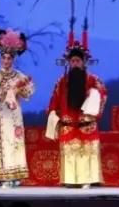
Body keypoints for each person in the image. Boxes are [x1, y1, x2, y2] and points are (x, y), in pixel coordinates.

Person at [46, 41, 108, 188]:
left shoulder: (93, 79)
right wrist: (53, 113)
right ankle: (70, 180)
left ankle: (87, 179)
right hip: (68, 123)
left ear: (83, 62)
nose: (75, 64)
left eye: (78, 61)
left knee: (87, 152)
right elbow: (55, 99)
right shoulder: (62, 81)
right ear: (69, 62)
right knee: (70, 152)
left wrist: (93, 94)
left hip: (86, 123)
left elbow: (103, 94)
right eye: (72, 61)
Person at [0, 29, 36, 188]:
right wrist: (8, 91)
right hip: (3, 114)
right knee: (5, 142)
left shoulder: (19, 75)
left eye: (9, 58)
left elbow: (29, 92)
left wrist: (19, 88)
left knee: (16, 142)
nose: (6, 61)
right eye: (4, 58)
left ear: (13, 59)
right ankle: (4, 176)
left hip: (15, 114)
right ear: (0, 58)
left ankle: (17, 175)